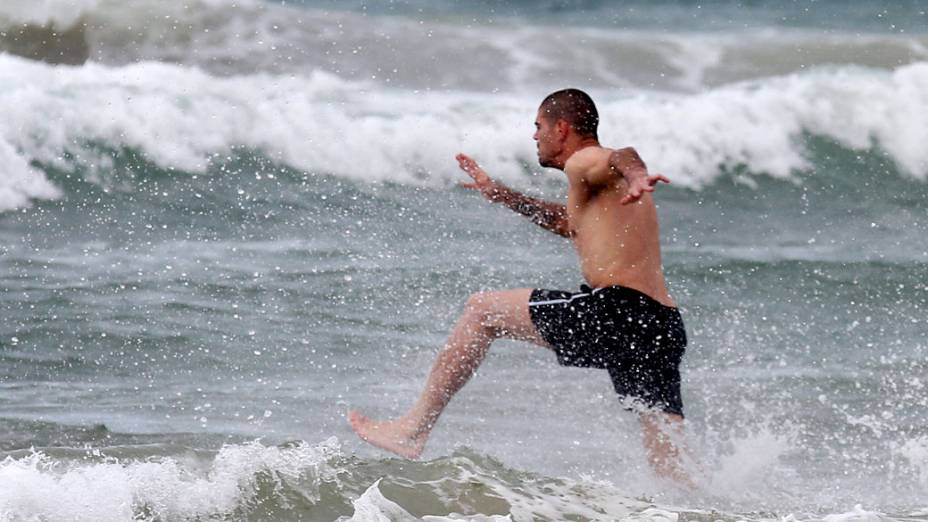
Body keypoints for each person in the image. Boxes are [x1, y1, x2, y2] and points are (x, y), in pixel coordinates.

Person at [349, 88, 689, 481]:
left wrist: (637, 174)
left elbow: (620, 156)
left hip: (618, 310)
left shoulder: (585, 160)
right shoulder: (596, 192)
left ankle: (412, 430)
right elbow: (570, 223)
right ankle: (689, 509)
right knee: (666, 451)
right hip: (659, 324)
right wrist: (503, 196)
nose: (534, 136)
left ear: (562, 129)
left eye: (538, 126)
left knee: (482, 310)